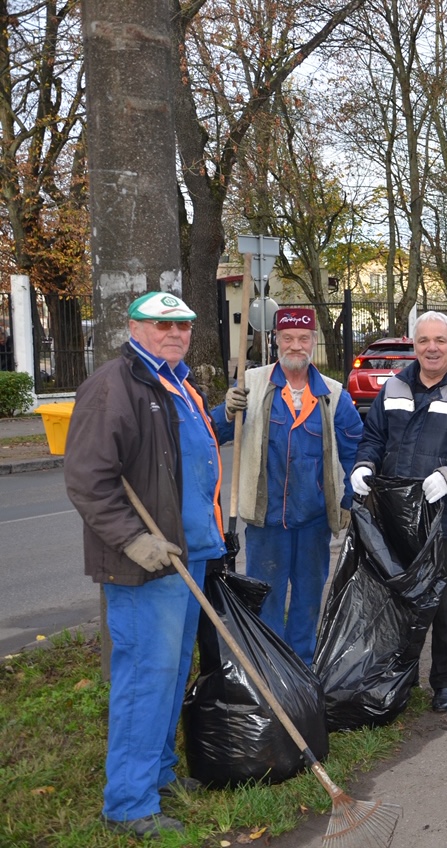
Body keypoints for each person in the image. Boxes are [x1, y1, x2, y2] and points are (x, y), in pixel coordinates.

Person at [63, 291, 225, 838]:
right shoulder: (114, 386)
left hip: (187, 556)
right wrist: (133, 540)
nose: (175, 333)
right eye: (162, 326)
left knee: (173, 674)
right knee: (144, 679)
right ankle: (129, 803)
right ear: (134, 327)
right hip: (146, 564)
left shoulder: (175, 382)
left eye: (182, 325)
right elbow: (88, 479)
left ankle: (158, 775)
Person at [351, 311, 447, 713]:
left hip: (443, 516)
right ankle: (398, 678)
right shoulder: (395, 386)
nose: (431, 348)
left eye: (440, 340)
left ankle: (445, 682)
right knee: (395, 599)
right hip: (392, 514)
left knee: (444, 601)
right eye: (423, 341)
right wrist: (363, 465)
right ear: (414, 345)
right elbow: (373, 437)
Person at [211, 307, 364, 666]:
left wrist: (350, 498)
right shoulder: (252, 384)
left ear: (313, 342)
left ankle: (302, 668)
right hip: (266, 522)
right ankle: (270, 669)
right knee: (266, 598)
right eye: (288, 339)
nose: (296, 346)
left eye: (303, 339)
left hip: (313, 520)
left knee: (309, 599)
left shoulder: (334, 395)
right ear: (276, 340)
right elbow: (213, 435)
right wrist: (226, 412)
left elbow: (357, 448)